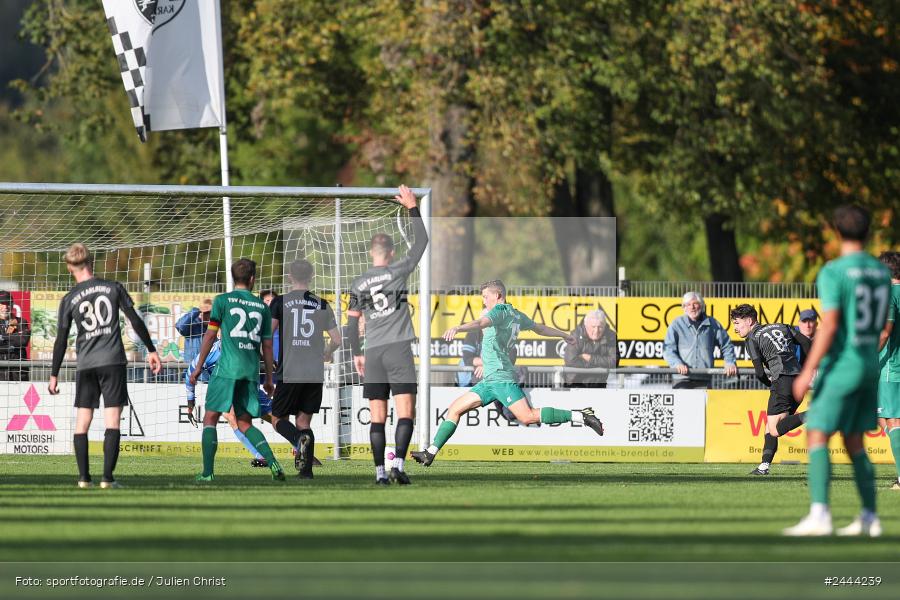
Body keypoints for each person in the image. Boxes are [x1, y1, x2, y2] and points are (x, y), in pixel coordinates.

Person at [411, 280, 605, 468]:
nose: (483, 301)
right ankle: (430, 453)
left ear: (497, 295)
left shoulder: (500, 311)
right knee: (454, 409)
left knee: (527, 417)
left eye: (485, 296)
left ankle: (582, 416)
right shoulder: (516, 314)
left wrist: (458, 327)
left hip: (501, 378)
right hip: (489, 380)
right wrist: (564, 335)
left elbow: (481, 322)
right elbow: (539, 328)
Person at [785, 205, 891, 537]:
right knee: (854, 441)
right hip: (870, 365)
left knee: (816, 432)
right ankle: (870, 517)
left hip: (844, 364)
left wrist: (807, 371)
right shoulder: (881, 273)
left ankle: (820, 515)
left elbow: (829, 324)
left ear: (836, 231)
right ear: (868, 232)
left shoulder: (833, 271)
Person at [48, 243, 162, 488]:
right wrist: (151, 350)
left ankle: (83, 479)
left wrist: (54, 374)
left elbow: (61, 339)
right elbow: (135, 320)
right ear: (91, 261)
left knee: (82, 421)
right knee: (113, 421)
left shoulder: (68, 299)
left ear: (69, 267)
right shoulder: (113, 288)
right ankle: (107, 479)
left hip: (86, 364)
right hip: (112, 361)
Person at [347, 185, 427, 485]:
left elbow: (351, 324)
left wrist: (357, 353)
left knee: (377, 416)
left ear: (372, 253)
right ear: (391, 253)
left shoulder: (358, 283)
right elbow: (422, 242)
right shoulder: (398, 270)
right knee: (406, 412)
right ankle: (399, 467)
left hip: (373, 351)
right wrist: (412, 207)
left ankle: (380, 473)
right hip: (397, 349)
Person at [189, 258, 284, 482]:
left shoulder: (222, 301)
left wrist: (198, 367)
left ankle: (207, 473)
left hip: (226, 369)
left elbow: (210, 335)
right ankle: (274, 464)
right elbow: (267, 346)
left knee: (210, 417)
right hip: (249, 372)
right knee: (244, 422)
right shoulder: (262, 307)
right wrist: (269, 378)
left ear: (234, 278)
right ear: (252, 279)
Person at [268, 259, 341, 479]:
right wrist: (327, 352)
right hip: (314, 371)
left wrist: (269, 359)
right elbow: (337, 339)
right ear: (311, 277)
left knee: (277, 419)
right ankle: (306, 472)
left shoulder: (280, 302)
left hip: (290, 369)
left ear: (290, 276)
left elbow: (267, 335)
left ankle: (297, 440)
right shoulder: (322, 304)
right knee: (303, 422)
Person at [730, 304, 811, 476]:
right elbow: (806, 342)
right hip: (800, 381)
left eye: (737, 323)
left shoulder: (752, 339)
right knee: (770, 427)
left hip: (782, 381)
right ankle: (764, 466)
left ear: (749, 321)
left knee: (774, 429)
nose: (735, 328)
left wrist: (770, 384)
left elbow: (760, 373)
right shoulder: (782, 326)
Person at [184, 337, 272, 469]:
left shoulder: (241, 346)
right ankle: (261, 456)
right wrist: (190, 404)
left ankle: (299, 445)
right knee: (231, 417)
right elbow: (189, 375)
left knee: (272, 416)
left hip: (247, 386)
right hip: (225, 389)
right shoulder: (209, 354)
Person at [663, 291, 737, 388]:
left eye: (695, 303)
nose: (692, 307)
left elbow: (727, 345)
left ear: (701, 306)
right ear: (684, 308)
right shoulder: (676, 324)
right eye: (688, 305)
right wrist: (677, 364)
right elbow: (668, 349)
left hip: (704, 378)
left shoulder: (712, 324)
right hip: (681, 378)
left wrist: (730, 362)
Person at [876, 251, 900, 490]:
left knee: (893, 421)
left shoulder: (890, 294)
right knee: (883, 417)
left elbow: (885, 331)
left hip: (892, 368)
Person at [563, 309, 618, 388]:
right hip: (575, 384)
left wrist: (589, 358)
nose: (596, 331)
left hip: (599, 385)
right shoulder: (575, 335)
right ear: (586, 325)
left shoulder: (611, 336)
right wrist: (601, 364)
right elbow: (570, 361)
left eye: (600, 327)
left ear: (605, 326)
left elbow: (614, 361)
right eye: (593, 327)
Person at [175, 298, 212, 378]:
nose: (206, 315)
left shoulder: (218, 328)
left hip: (211, 376)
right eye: (204, 312)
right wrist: (196, 311)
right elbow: (179, 326)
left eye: (209, 313)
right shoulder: (192, 326)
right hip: (192, 375)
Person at [0, 291, 31, 381]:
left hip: (18, 374)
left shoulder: (21, 321)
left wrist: (2, 337)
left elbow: (23, 341)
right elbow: (18, 341)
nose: (5, 307)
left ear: (12, 305)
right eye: (2, 303)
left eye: (8, 303)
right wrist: (13, 342)